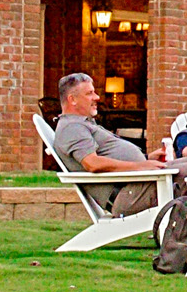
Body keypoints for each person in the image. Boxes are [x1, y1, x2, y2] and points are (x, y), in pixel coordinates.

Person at [51, 72, 166, 215]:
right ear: (72, 99)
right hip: (129, 195)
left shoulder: (80, 124)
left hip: (138, 184)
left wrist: (147, 159)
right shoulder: (71, 128)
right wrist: (141, 166)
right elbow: (92, 164)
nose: (97, 97)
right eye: (89, 93)